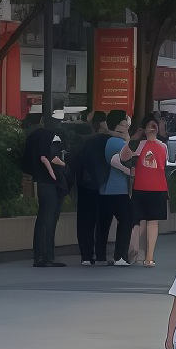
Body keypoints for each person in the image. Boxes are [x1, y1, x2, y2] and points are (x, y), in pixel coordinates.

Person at [20, 109, 66, 268]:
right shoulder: (52, 138)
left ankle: (41, 255)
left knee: (43, 217)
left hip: (40, 179)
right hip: (51, 182)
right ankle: (47, 255)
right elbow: (53, 159)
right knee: (49, 218)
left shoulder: (34, 136)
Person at [73, 113, 120, 265]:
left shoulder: (84, 140)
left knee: (85, 220)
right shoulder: (112, 141)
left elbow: (77, 162)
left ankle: (86, 255)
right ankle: (100, 255)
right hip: (104, 184)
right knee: (103, 220)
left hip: (85, 183)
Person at [127, 117, 171, 267]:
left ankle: (149, 256)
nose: (152, 129)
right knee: (138, 221)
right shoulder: (139, 145)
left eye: (154, 126)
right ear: (144, 128)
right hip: (140, 188)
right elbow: (127, 156)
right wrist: (135, 138)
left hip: (158, 188)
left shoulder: (163, 146)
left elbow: (164, 164)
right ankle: (134, 251)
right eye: (149, 126)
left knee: (153, 222)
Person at [98, 112, 133, 265]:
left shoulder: (111, 141)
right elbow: (124, 159)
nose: (126, 125)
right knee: (125, 221)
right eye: (124, 122)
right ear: (118, 125)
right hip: (118, 188)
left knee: (104, 223)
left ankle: (101, 256)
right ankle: (120, 256)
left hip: (107, 188)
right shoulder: (117, 143)